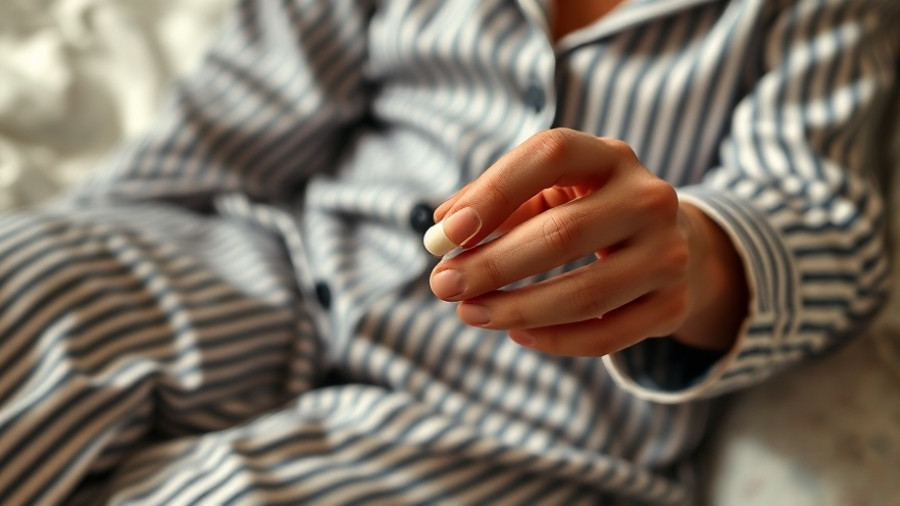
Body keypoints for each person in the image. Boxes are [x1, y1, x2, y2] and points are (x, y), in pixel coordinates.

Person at [0, 0, 897, 504]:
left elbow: (821, 218)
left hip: (522, 413)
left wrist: (692, 256)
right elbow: (230, 119)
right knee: (29, 288)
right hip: (272, 265)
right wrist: (81, 248)